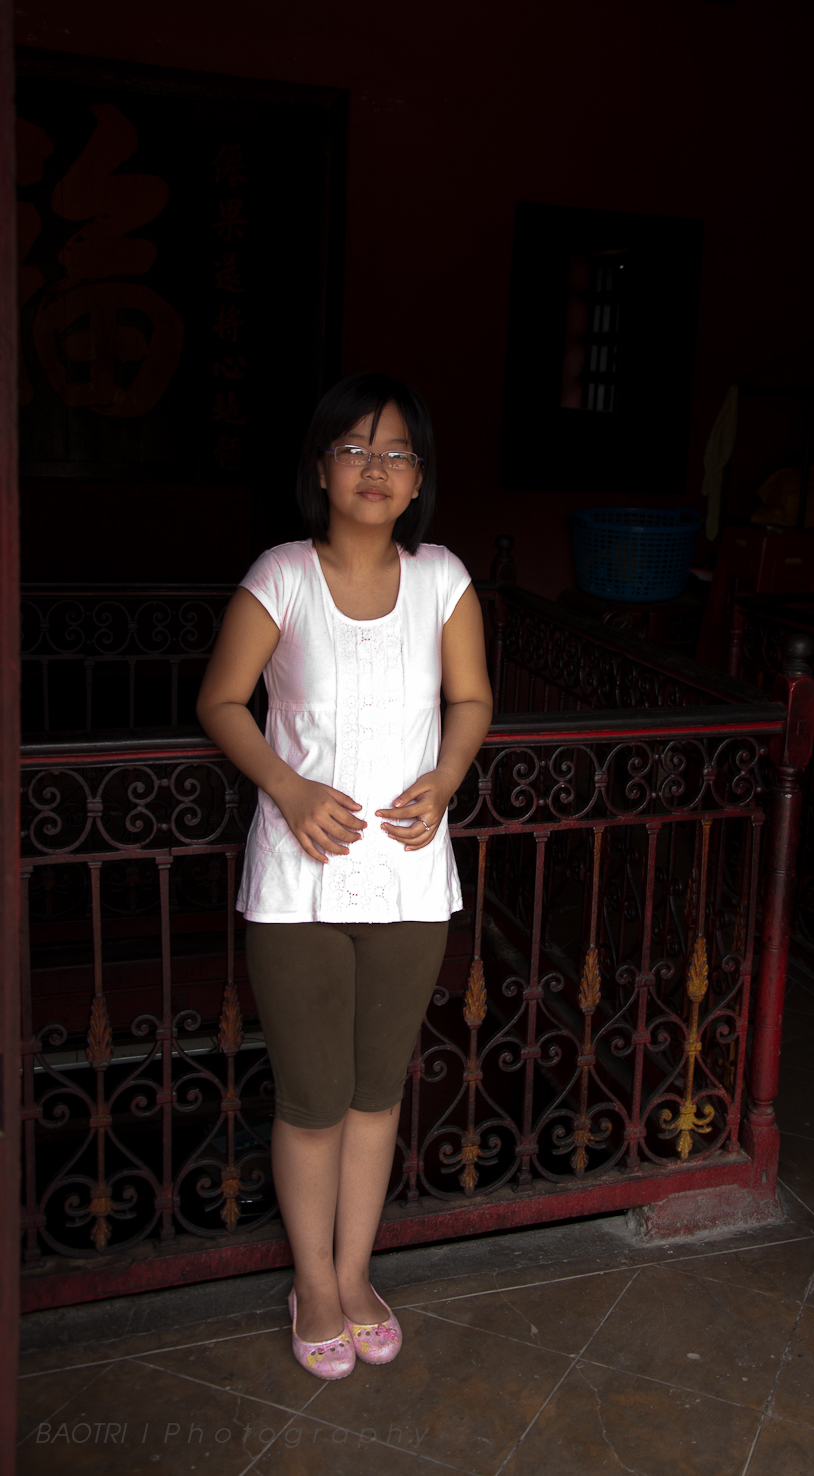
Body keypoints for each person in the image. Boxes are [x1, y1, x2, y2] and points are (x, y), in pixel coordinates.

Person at [197, 372, 492, 1380]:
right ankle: (313, 1287)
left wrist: (447, 780)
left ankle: (358, 1272)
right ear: (320, 468)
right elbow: (223, 701)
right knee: (314, 1097)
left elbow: (473, 699)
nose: (376, 468)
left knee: (376, 1094)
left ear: (419, 482)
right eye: (356, 448)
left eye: (397, 451)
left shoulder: (445, 579)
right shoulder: (279, 575)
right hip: (300, 882)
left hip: (411, 880)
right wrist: (287, 787)